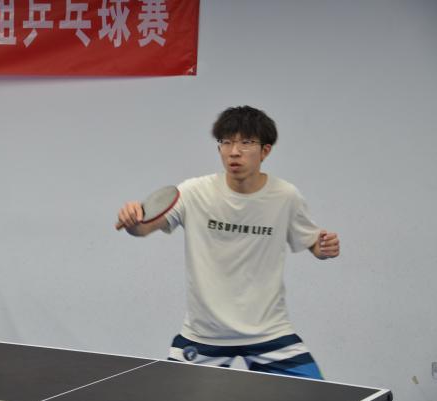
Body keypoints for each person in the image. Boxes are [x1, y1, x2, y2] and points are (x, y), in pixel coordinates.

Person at [116, 105, 340, 380]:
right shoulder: (194, 192)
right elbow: (143, 228)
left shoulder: (286, 196)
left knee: (317, 395)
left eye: (246, 142)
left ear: (265, 150)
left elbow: (313, 242)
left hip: (269, 333)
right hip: (204, 335)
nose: (234, 151)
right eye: (226, 142)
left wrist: (324, 248)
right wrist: (132, 220)